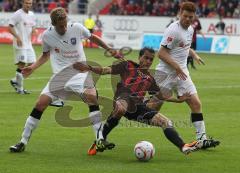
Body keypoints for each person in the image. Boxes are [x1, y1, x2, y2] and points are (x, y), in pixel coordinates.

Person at [9, 7, 116, 153]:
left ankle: (99, 139)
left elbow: (92, 37)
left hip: (80, 73)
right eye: (61, 26)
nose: (64, 27)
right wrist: (32, 67)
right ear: (53, 24)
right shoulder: (47, 36)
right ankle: (22, 142)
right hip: (59, 77)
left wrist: (109, 49)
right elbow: (45, 55)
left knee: (92, 96)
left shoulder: (76, 28)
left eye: (65, 23)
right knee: (40, 104)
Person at [73, 47, 203, 156]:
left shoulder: (150, 79)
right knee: (121, 108)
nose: (148, 61)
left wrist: (179, 100)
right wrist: (89, 68)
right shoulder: (127, 65)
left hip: (137, 108)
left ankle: (183, 146)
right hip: (122, 99)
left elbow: (161, 96)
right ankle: (100, 139)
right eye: (145, 58)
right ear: (140, 57)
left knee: (166, 122)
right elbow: (105, 70)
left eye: (151, 59)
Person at [154, 2, 220, 149]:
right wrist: (176, 67)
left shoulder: (190, 29)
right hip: (165, 73)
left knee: (196, 103)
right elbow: (161, 53)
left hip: (182, 73)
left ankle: (201, 139)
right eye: (185, 16)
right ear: (180, 13)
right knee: (151, 110)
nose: (188, 19)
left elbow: (185, 45)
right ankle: (123, 114)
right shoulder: (173, 30)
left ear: (194, 16)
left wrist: (194, 55)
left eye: (191, 17)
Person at [8, 0, 36, 94]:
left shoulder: (32, 14)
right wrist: (17, 37)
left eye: (30, 3)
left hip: (28, 44)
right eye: (26, 3)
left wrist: (34, 31)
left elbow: (33, 26)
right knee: (22, 65)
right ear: (23, 3)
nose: (28, 5)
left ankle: (15, 80)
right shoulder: (18, 14)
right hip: (20, 44)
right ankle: (20, 89)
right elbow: (10, 27)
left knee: (33, 65)